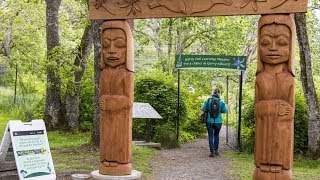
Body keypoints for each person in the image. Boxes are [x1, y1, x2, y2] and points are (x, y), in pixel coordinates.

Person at [253, 14, 295, 179]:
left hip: (282, 133)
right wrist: (273, 106)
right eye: (265, 42)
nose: (273, 48)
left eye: (282, 42)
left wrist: (286, 110)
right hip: (264, 130)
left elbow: (291, 112)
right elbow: (256, 109)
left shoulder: (289, 79)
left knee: (283, 170)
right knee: (261, 169)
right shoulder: (260, 78)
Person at [99, 20, 134, 175]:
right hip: (106, 117)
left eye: (119, 44)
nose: (111, 50)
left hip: (121, 118)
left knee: (119, 139)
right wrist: (104, 101)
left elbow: (128, 100)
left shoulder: (127, 74)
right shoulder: (104, 73)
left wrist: (111, 102)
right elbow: (101, 94)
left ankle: (121, 162)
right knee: (106, 140)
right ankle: (106, 160)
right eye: (106, 45)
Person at [201, 88, 227, 157]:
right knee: (216, 135)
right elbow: (224, 111)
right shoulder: (221, 102)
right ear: (219, 93)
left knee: (210, 135)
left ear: (213, 93)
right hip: (218, 122)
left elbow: (203, 110)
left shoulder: (208, 100)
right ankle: (216, 151)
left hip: (209, 121)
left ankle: (212, 151)